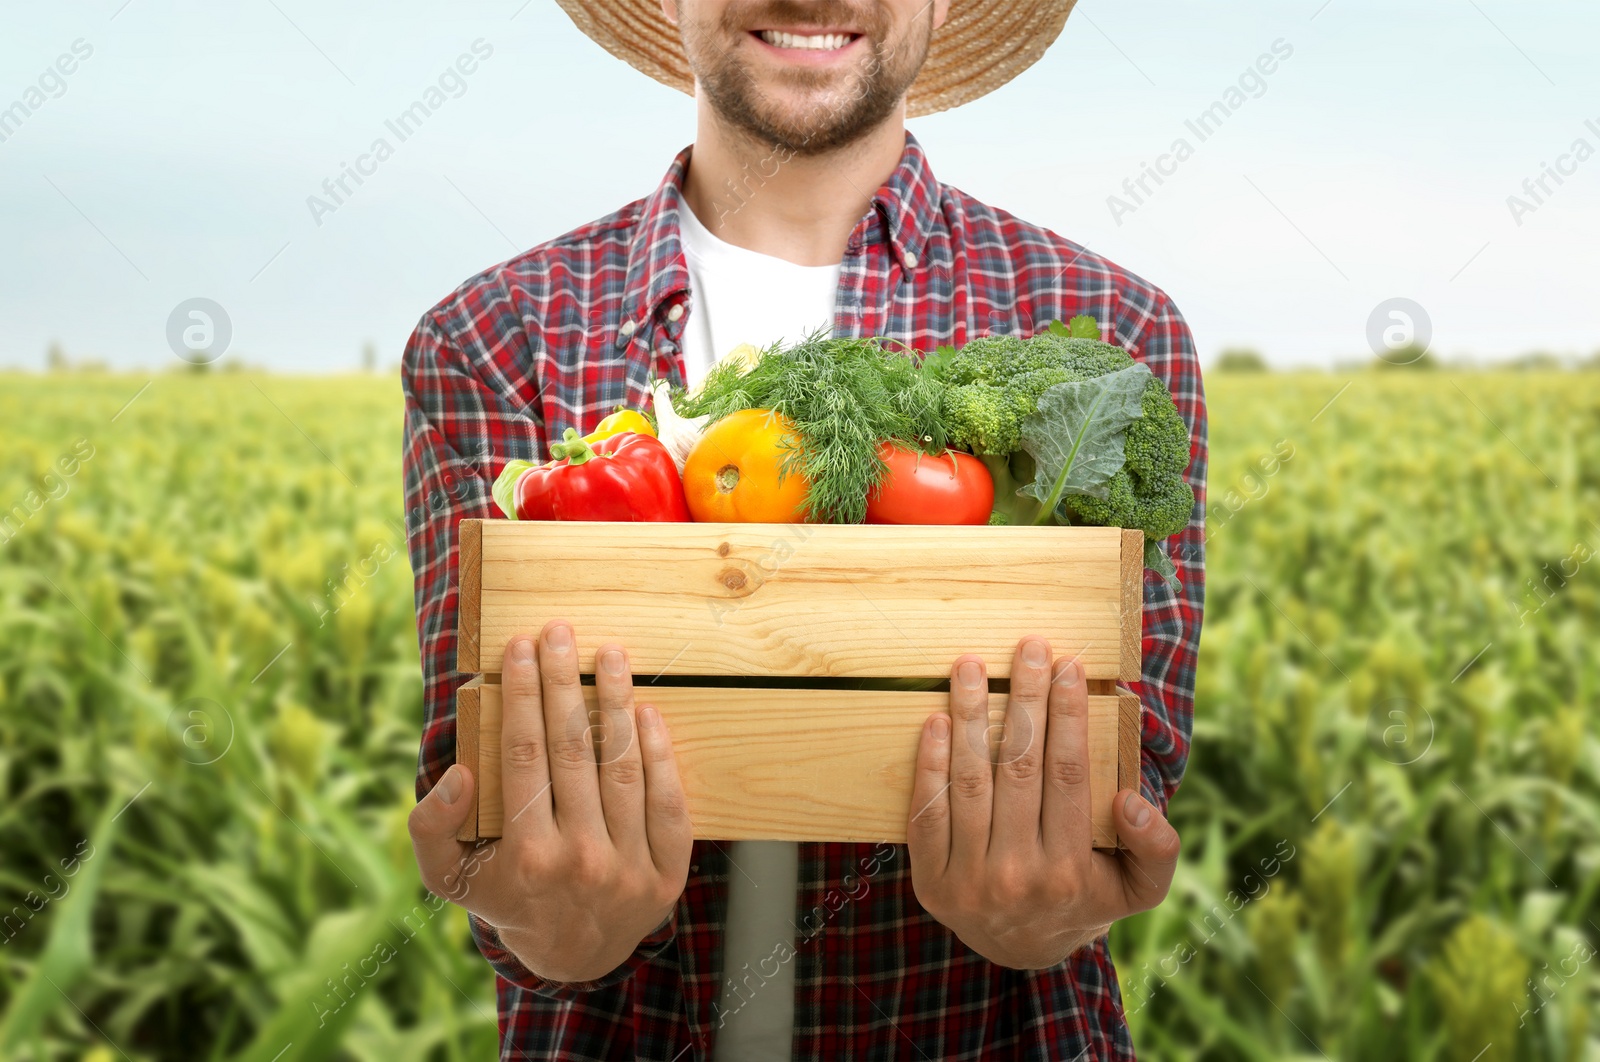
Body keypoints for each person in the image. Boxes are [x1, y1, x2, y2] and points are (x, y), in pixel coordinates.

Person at [401, 1, 1206, 1058]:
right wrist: (542, 926)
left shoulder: (1113, 330)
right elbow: (481, 786)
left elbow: (1129, 760)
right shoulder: (495, 338)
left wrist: (1062, 908)